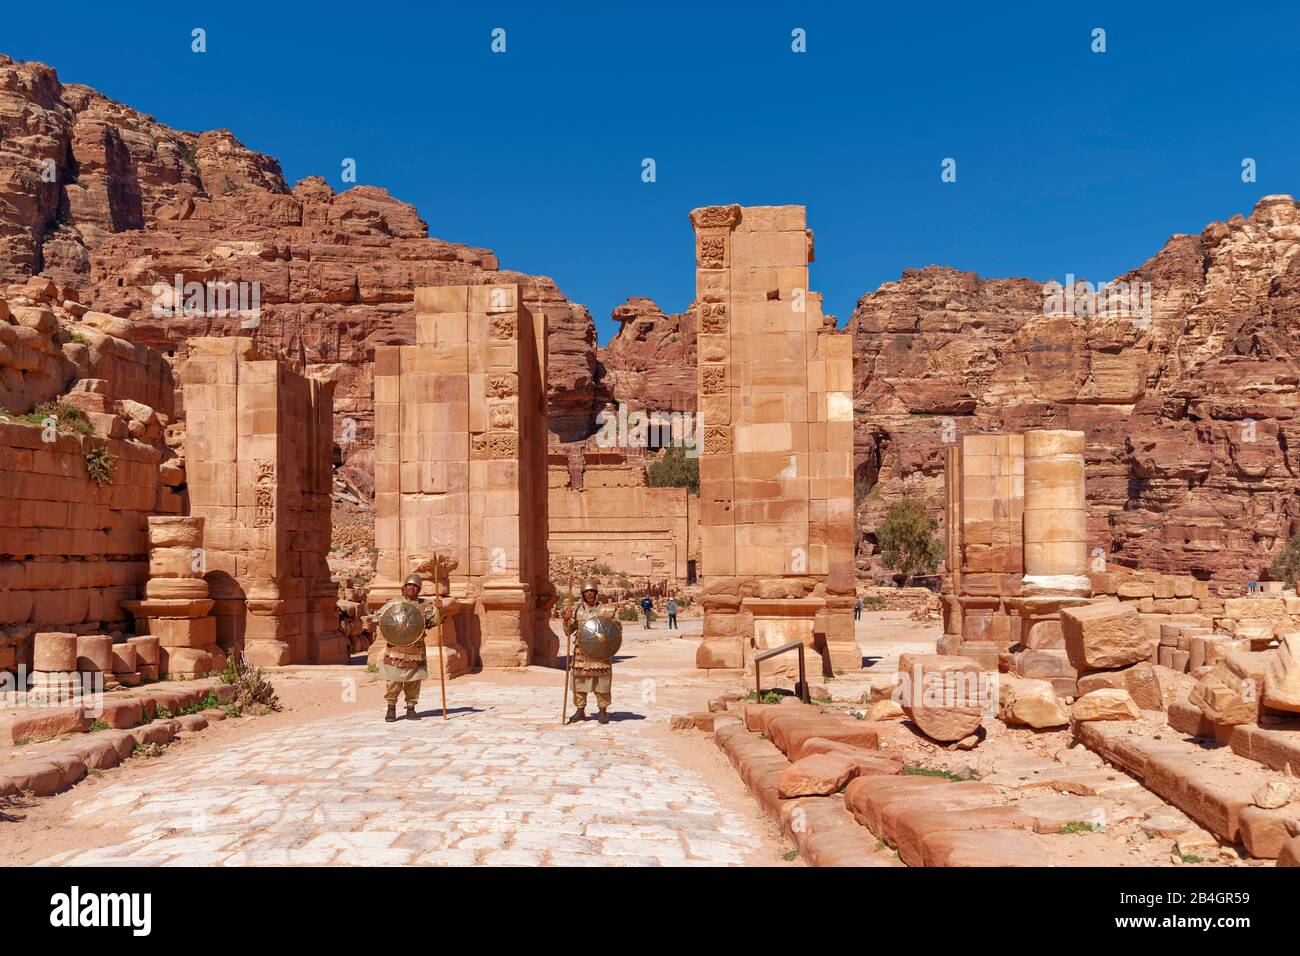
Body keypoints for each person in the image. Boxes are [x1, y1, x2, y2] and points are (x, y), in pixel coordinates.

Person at [372, 573, 443, 722]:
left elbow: (435, 621)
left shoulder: (424, 606)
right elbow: (378, 618)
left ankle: (411, 708)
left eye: (414, 586)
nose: (411, 587)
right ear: (404, 588)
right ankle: (391, 709)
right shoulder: (393, 603)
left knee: (414, 680)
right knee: (393, 679)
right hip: (396, 648)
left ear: (418, 589)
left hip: (415, 649)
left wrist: (438, 610)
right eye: (408, 585)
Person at [566, 578, 616, 724]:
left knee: (602, 682)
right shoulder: (576, 610)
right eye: (586, 591)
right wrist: (566, 620)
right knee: (579, 681)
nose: (589, 594)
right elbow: (569, 631)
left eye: (591, 591)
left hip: (601, 653)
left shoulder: (605, 610)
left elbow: (615, 630)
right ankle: (580, 710)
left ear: (596, 593)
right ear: (583, 594)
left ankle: (602, 711)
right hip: (581, 652)